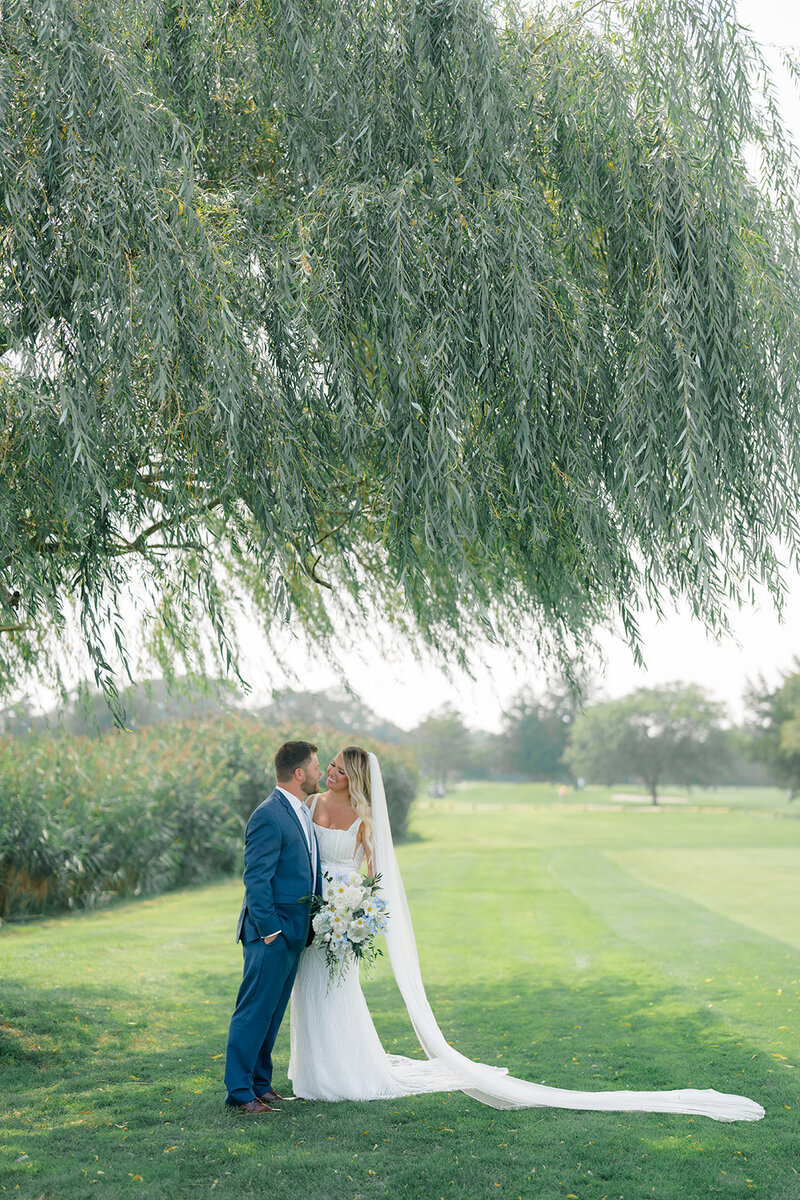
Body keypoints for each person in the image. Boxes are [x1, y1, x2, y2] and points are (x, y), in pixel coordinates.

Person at [289, 746, 765, 1121]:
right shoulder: (310, 804)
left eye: (338, 769)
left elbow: (376, 878)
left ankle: (345, 1075)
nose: (329, 772)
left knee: (338, 991)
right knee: (307, 990)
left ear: (356, 778)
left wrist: (356, 916)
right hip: (312, 908)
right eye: (328, 766)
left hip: (343, 918)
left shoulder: (367, 821)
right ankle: (309, 1074)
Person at [224, 740, 322, 1113]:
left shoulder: (300, 810)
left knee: (272, 1012)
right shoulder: (268, 814)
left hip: (294, 933)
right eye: (315, 767)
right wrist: (270, 931)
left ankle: (260, 1084)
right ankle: (239, 1092)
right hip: (271, 934)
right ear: (299, 773)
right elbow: (256, 879)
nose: (319, 773)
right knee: (253, 1012)